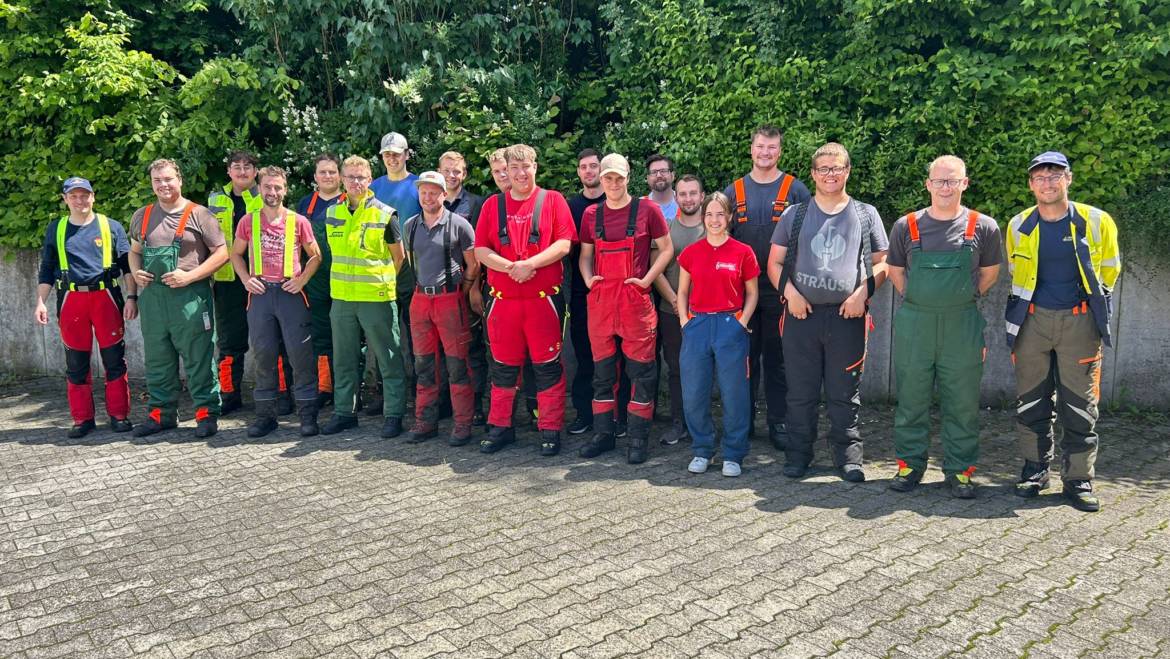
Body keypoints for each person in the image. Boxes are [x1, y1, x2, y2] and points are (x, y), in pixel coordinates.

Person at [1005, 151, 1121, 512]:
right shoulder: (1019, 225)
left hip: (1079, 322)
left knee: (1080, 404)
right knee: (1031, 400)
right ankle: (1035, 469)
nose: (1048, 182)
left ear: (1068, 179)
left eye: (1055, 175)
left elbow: (1110, 268)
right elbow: (1015, 269)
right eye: (1040, 177)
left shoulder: (1097, 221)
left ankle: (1078, 479)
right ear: (1031, 184)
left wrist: (1091, 307)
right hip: (1033, 323)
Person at [766, 142, 888, 482]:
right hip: (800, 317)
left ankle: (848, 457)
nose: (830, 175)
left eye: (837, 168)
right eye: (823, 169)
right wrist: (790, 294)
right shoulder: (795, 214)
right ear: (814, 174)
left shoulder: (866, 214)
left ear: (847, 171)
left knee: (843, 392)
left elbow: (884, 264)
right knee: (800, 392)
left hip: (848, 318)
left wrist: (862, 294)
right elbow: (774, 262)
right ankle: (798, 455)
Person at [886, 155, 1002, 499]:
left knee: (962, 401)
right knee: (911, 398)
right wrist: (918, 297)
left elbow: (990, 274)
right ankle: (909, 466)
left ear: (965, 183)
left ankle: (960, 470)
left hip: (961, 325)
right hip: (915, 324)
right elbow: (895, 272)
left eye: (953, 181)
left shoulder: (984, 227)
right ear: (928, 185)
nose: (946, 187)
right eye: (939, 181)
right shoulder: (905, 226)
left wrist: (963, 296)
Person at [473, 143, 577, 456]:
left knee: (547, 368)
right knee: (503, 368)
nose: (519, 173)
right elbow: (480, 250)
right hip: (503, 303)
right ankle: (501, 427)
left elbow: (564, 244)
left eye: (525, 167)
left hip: (542, 302)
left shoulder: (553, 200)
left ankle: (550, 428)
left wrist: (530, 264)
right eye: (513, 167)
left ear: (535, 167)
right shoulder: (493, 205)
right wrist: (510, 267)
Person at [578, 153, 672, 463]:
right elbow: (585, 256)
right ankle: (604, 435)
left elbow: (666, 249)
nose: (614, 183)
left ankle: (637, 440)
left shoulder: (648, 210)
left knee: (641, 373)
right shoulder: (592, 214)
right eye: (608, 178)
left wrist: (646, 279)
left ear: (628, 177)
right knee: (602, 374)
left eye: (619, 177)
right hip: (603, 302)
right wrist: (589, 280)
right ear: (601, 179)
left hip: (635, 302)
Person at [724, 125, 812, 450]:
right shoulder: (733, 192)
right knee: (744, 361)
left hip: (781, 293)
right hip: (742, 294)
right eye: (760, 146)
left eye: (772, 148)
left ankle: (779, 423)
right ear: (751, 149)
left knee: (779, 361)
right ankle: (742, 422)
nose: (765, 153)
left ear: (779, 151)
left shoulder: (796, 191)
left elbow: (809, 241)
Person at [128, 159, 228, 438]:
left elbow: (222, 253)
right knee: (158, 360)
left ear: (180, 180)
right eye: (157, 180)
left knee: (199, 358)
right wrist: (136, 274)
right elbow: (134, 251)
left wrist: (191, 275)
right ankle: (161, 415)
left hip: (190, 299)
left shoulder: (199, 214)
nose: (163, 185)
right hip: (154, 301)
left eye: (168, 179)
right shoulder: (142, 215)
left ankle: (206, 414)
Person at [35, 177, 136, 438]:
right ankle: (82, 419)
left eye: (85, 195)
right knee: (76, 363)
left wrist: (132, 297)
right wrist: (40, 302)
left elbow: (127, 266)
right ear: (65, 199)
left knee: (114, 359)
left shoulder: (110, 226)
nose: (80, 200)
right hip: (71, 301)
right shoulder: (56, 229)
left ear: (93, 196)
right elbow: (46, 268)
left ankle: (119, 415)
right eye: (74, 196)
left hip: (106, 299)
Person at [230, 166, 323, 437]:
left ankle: (308, 417)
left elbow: (315, 256)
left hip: (290, 294)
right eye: (268, 187)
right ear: (260, 188)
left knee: (300, 355)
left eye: (278, 187)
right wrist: (246, 278)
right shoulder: (248, 220)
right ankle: (265, 417)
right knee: (264, 355)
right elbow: (235, 254)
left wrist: (303, 279)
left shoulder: (298, 221)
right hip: (259, 295)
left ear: (285, 189)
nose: (272, 192)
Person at [320, 155, 408, 438]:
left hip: (376, 298)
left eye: (361, 177)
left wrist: (379, 282)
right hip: (343, 299)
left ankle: (394, 414)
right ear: (342, 180)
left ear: (370, 180)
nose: (356, 182)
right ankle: (345, 413)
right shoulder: (333, 213)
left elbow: (399, 257)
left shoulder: (385, 213)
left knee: (388, 358)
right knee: (344, 359)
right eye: (350, 177)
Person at [677, 192, 759, 477]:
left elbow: (752, 292)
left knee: (734, 393)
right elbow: (683, 291)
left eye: (720, 214)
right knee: (694, 393)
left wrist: (741, 321)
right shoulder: (691, 252)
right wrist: (685, 321)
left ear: (729, 218)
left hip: (730, 326)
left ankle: (734, 454)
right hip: (697, 326)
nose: (714, 220)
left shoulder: (742, 252)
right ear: (703, 217)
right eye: (709, 214)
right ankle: (702, 449)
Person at [402, 171, 480, 445]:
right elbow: (411, 262)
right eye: (423, 191)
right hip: (420, 299)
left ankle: (462, 424)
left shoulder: (460, 225)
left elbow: (474, 264)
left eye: (434, 191)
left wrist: (467, 292)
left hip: (450, 300)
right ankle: (425, 421)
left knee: (457, 365)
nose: (428, 196)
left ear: (444, 194)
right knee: (423, 365)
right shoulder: (410, 225)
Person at [566, 148, 629, 437]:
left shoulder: (621, 203)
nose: (589, 171)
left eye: (594, 166)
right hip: (584, 294)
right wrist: (589, 281)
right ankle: (585, 413)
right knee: (585, 356)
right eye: (584, 167)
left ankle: (620, 415)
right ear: (579, 172)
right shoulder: (571, 207)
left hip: (623, 295)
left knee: (621, 360)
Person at [368, 131, 422, 413]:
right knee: (383, 334)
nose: (392, 158)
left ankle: (418, 392)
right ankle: (381, 392)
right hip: (379, 270)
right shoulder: (373, 186)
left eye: (397, 153)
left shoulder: (418, 185)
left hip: (412, 271)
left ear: (406, 154)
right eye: (387, 153)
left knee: (416, 336)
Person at [207, 150, 264, 415]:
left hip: (263, 279)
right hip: (227, 280)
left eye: (247, 167)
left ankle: (276, 394)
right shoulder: (215, 199)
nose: (242, 172)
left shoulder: (266, 194)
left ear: (255, 171)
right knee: (229, 342)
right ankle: (229, 395)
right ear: (228, 171)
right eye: (236, 167)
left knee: (270, 340)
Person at [653, 174, 706, 446]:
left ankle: (702, 424)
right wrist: (675, 301)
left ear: (702, 196)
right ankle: (679, 423)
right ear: (676, 197)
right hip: (671, 311)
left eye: (693, 193)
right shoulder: (666, 231)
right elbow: (657, 270)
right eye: (683, 194)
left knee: (705, 369)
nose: (688, 199)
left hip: (707, 314)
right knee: (676, 369)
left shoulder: (714, 229)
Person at [295, 153, 345, 410]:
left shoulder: (350, 202)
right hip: (314, 282)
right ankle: (325, 387)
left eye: (332, 172)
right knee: (321, 336)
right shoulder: (305, 204)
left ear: (340, 176)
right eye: (322, 172)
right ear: (315, 177)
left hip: (346, 280)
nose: (327, 176)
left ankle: (349, 389)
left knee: (349, 338)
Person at [645, 153, 678, 222]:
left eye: (663, 171)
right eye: (654, 172)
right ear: (648, 178)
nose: (659, 175)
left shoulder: (686, 203)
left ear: (672, 175)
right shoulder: (639, 207)